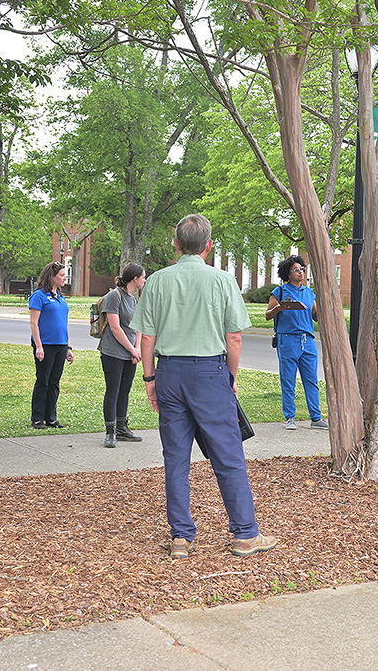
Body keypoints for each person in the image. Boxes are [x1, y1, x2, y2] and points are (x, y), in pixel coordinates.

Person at [133, 214, 276, 559]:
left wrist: (150, 379)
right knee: (228, 455)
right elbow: (235, 338)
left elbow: (147, 337)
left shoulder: (157, 282)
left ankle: (180, 537)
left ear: (176, 243)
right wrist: (230, 378)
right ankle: (244, 534)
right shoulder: (223, 281)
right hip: (210, 371)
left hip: (169, 372)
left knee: (176, 458)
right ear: (208, 246)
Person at [266, 255, 327, 431]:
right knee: (288, 380)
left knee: (311, 380)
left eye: (302, 269)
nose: (301, 272)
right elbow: (268, 315)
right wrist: (279, 308)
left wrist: (324, 308)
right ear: (288, 273)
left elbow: (315, 316)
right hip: (288, 339)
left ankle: (316, 418)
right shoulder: (279, 292)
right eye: (297, 270)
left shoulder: (308, 293)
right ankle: (290, 418)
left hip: (307, 341)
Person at [98, 263, 147, 448]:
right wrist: (131, 349)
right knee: (113, 390)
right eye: (143, 277)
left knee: (125, 391)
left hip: (129, 353)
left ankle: (122, 428)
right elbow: (115, 328)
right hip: (113, 352)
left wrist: (137, 349)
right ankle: (110, 432)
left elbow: (138, 326)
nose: (144, 280)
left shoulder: (132, 299)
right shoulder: (114, 296)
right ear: (135, 278)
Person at [29, 261, 74, 429]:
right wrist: (39, 346)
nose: (64, 278)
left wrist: (68, 347)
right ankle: (38, 418)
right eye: (61, 275)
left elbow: (64, 323)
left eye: (64, 275)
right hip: (45, 344)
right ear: (52, 277)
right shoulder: (39, 296)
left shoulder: (60, 298)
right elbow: (34, 323)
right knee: (43, 380)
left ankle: (51, 417)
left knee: (55, 381)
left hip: (60, 345)